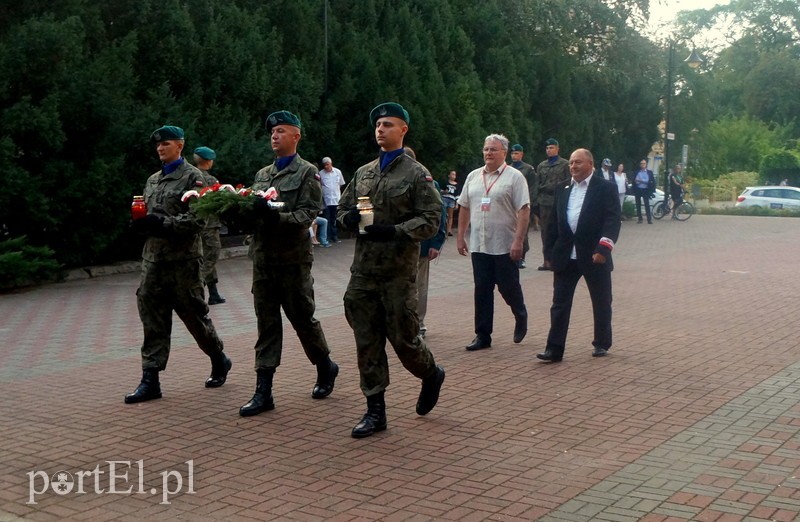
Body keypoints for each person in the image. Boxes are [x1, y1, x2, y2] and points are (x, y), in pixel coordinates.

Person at [337, 102, 445, 439]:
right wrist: (348, 219)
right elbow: (342, 209)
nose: (380, 130)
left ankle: (431, 373)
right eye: (377, 125)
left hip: (397, 273)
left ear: (403, 130)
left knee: (405, 342)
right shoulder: (364, 172)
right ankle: (375, 411)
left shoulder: (416, 174)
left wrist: (396, 230)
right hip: (364, 272)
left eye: (387, 124)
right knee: (366, 341)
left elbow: (431, 220)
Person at [238, 110, 339, 417]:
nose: (274, 136)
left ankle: (325, 365)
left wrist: (274, 217)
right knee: (267, 325)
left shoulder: (308, 172)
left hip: (293, 262)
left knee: (302, 321)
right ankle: (263, 391)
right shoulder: (262, 175)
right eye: (272, 132)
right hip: (264, 261)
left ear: (296, 136)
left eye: (281, 131)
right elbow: (255, 214)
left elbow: (307, 215)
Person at [125, 125, 231, 404]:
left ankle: (218, 358)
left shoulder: (194, 179)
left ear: (180, 146)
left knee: (194, 317)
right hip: (153, 261)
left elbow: (198, 220)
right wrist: (141, 224)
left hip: (182, 262)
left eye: (166, 144)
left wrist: (162, 224)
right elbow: (148, 214)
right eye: (158, 145)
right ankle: (150, 379)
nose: (160, 148)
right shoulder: (152, 180)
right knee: (152, 318)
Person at [537, 148, 621, 363]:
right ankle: (554, 349)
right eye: (571, 163)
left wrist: (603, 249)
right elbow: (553, 224)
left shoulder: (605, 188)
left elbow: (612, 221)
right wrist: (549, 252)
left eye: (578, 163)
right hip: (566, 256)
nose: (573, 166)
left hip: (594, 255)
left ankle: (601, 343)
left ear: (590, 164)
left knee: (601, 301)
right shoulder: (562, 188)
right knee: (559, 304)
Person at [457, 134, 530, 351]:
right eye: (486, 149)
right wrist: (460, 236)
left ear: (504, 153)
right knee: (482, 289)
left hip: (505, 243)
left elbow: (524, 210)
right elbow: (464, 206)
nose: (488, 153)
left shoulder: (515, 177)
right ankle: (482, 335)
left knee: (508, 287)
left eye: (493, 150)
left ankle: (520, 313)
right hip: (480, 244)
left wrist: (519, 241)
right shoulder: (473, 177)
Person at [192, 146, 226, 305]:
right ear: (209, 161)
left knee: (206, 257)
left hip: (198, 226)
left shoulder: (192, 178)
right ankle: (195, 289)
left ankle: (214, 293)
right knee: (211, 257)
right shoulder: (211, 180)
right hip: (210, 225)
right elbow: (219, 202)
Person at [535, 138, 571, 271]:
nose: (549, 150)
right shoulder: (541, 166)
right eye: (547, 148)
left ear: (557, 149)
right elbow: (537, 185)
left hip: (559, 201)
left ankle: (560, 258)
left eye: (551, 148)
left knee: (561, 231)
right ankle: (547, 260)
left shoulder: (565, 164)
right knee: (546, 232)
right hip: (544, 202)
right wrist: (535, 203)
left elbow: (569, 183)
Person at [418, 180, 448, 339]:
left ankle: (418, 324)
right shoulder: (384, 178)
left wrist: (436, 242)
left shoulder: (426, 181)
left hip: (419, 244)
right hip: (393, 247)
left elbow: (439, 212)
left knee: (418, 286)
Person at [509, 143, 538, 267]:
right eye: (512, 153)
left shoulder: (528, 169)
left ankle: (522, 256)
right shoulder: (507, 168)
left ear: (521, 154)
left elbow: (533, 187)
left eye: (516, 153)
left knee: (523, 231)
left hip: (523, 203)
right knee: (510, 229)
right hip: (510, 205)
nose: (514, 156)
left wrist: (528, 202)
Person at [319, 157, 346, 243]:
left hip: (336, 199)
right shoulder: (321, 174)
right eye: (325, 165)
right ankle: (327, 237)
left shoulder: (337, 172)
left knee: (334, 219)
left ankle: (335, 236)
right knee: (327, 219)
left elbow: (341, 184)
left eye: (328, 164)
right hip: (326, 200)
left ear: (331, 164)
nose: (326, 166)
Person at [632, 159, 656, 224]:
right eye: (641, 163)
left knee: (647, 205)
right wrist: (643, 181)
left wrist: (641, 181)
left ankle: (649, 219)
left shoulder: (649, 172)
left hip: (646, 190)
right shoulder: (637, 172)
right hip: (638, 189)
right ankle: (640, 219)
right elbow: (636, 181)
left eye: (644, 163)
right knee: (638, 205)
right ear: (640, 165)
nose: (643, 165)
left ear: (646, 164)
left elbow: (649, 181)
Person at [441, 170, 460, 237]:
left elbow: (457, 195)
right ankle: (442, 229)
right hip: (444, 198)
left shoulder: (457, 185)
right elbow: (440, 190)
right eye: (452, 174)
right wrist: (444, 191)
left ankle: (449, 230)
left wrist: (457, 204)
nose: (454, 176)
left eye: (455, 174)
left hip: (452, 200)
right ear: (449, 175)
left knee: (450, 216)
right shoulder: (446, 183)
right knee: (443, 214)